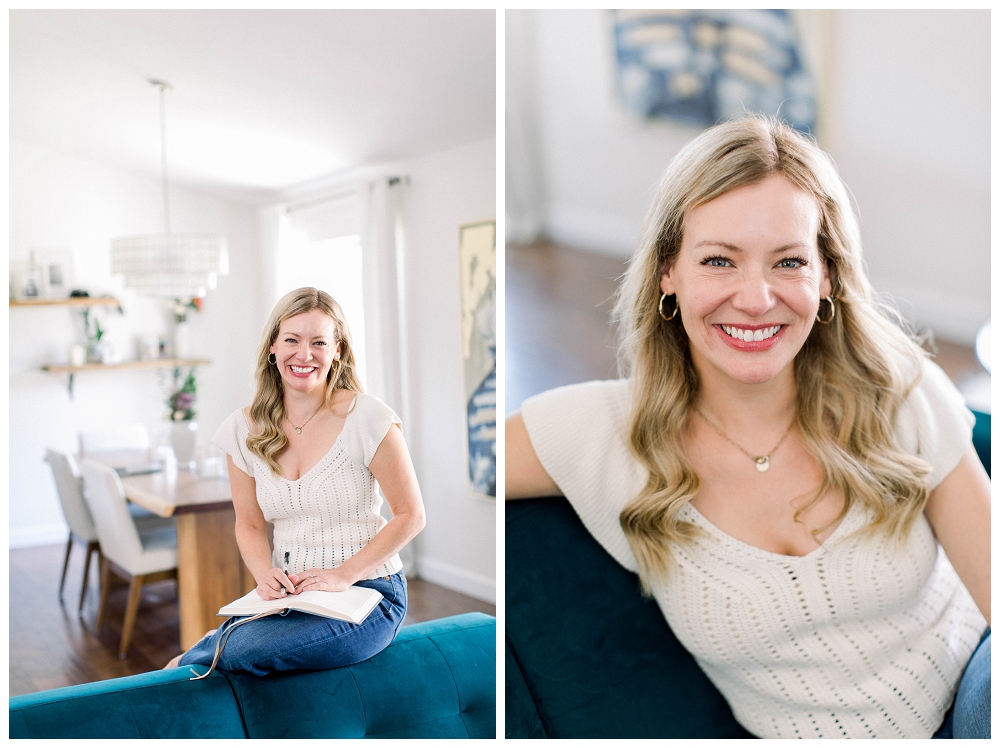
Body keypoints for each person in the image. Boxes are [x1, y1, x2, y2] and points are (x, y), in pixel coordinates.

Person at [506, 116, 990, 739]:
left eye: (789, 261)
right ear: (668, 273)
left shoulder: (896, 387)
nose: (757, 299)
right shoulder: (599, 433)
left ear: (827, 276)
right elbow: (446, 460)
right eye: (719, 261)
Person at [170, 287, 425, 675]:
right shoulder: (242, 430)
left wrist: (344, 575)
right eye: (292, 340)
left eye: (319, 342)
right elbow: (250, 524)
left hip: (370, 593)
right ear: (273, 347)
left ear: (337, 350)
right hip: (293, 597)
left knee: (241, 654)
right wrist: (262, 574)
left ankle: (203, 651)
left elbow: (411, 515)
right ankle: (217, 644)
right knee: (245, 648)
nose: (304, 355)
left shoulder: (368, 418)